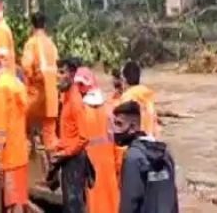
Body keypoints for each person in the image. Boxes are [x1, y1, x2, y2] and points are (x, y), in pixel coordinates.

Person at [114, 101, 178, 213]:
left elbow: (130, 202)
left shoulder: (132, 158)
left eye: (119, 124)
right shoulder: (165, 154)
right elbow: (173, 198)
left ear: (133, 126)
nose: (114, 130)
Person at [0, 49, 28, 212]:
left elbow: (1, 128)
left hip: (9, 156)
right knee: (18, 199)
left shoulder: (0, 88)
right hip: (19, 151)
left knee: (13, 201)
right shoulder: (15, 82)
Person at [49, 58, 93, 213]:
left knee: (73, 205)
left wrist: (64, 153)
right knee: (69, 203)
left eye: (62, 72)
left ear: (72, 74)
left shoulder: (75, 102)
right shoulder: (66, 98)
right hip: (68, 158)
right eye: (57, 72)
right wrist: (58, 147)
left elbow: (83, 137)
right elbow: (69, 132)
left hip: (74, 160)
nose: (58, 77)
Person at [74, 67, 119, 213]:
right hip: (110, 167)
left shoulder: (82, 111)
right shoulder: (109, 108)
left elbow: (79, 143)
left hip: (90, 169)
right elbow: (117, 141)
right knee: (112, 203)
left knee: (94, 205)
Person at [21, 12, 59, 155]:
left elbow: (26, 66)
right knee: (50, 135)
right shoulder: (51, 44)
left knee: (21, 123)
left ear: (32, 26)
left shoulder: (31, 43)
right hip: (52, 96)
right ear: (45, 26)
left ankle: (29, 159)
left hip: (36, 95)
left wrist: (30, 80)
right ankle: (53, 168)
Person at [119, 61, 158, 137]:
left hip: (137, 143)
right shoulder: (147, 94)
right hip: (152, 141)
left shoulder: (127, 97)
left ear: (124, 79)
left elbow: (123, 127)